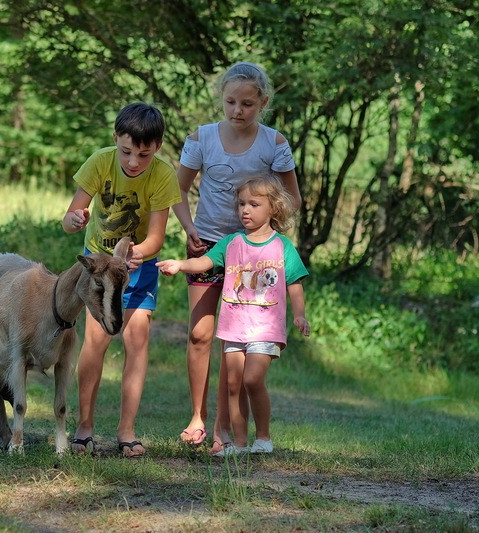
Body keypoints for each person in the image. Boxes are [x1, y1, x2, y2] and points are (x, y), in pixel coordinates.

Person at [170, 61, 302, 453]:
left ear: (262, 102)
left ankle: (223, 429)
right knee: (199, 334)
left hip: (252, 257)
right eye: (230, 102)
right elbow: (177, 191)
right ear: (221, 100)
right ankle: (196, 417)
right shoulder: (201, 138)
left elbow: (292, 198)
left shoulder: (274, 145)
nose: (237, 111)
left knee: (234, 341)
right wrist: (189, 228)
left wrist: (267, 233)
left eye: (247, 104)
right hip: (207, 244)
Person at [157, 175, 309, 456]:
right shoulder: (231, 243)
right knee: (232, 383)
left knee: (251, 379)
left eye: (254, 204)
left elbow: (295, 283)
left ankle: (263, 438)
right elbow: (205, 261)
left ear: (273, 208)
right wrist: (180, 264)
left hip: (265, 328)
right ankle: (239, 444)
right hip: (234, 327)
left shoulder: (282, 246)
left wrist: (299, 315)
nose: (245, 210)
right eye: (241, 204)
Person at [62, 102, 182, 458]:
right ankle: (84, 426)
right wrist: (74, 220)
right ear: (116, 139)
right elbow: (70, 215)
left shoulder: (162, 175)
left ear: (157, 147)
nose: (133, 162)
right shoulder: (100, 162)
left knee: (136, 341)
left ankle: (126, 430)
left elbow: (156, 238)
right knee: (96, 342)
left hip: (138, 267)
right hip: (99, 267)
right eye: (126, 151)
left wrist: (138, 253)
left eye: (143, 155)